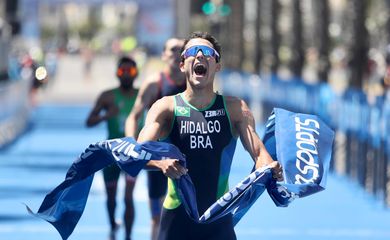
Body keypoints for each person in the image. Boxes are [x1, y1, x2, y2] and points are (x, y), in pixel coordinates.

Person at [136, 31, 283, 240]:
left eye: (207, 51)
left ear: (217, 66)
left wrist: (271, 167)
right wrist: (160, 164)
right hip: (177, 220)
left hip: (218, 218)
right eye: (192, 51)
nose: (199, 56)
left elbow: (259, 153)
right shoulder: (166, 108)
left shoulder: (235, 108)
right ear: (182, 64)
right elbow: (137, 152)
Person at [125, 38, 186, 240]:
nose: (177, 53)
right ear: (163, 55)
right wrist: (131, 145)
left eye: (181, 49)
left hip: (187, 157)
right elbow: (134, 115)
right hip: (158, 159)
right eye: (173, 49)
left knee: (190, 217)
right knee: (157, 217)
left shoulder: (194, 84)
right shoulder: (154, 83)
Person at [86, 56, 139, 240]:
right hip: (111, 154)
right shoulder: (107, 96)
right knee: (111, 197)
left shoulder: (143, 96)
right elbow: (89, 121)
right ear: (116, 73)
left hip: (133, 154)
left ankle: (129, 236)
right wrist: (105, 115)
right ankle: (112, 226)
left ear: (136, 73)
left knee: (128, 198)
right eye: (122, 71)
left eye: (130, 71)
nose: (126, 75)